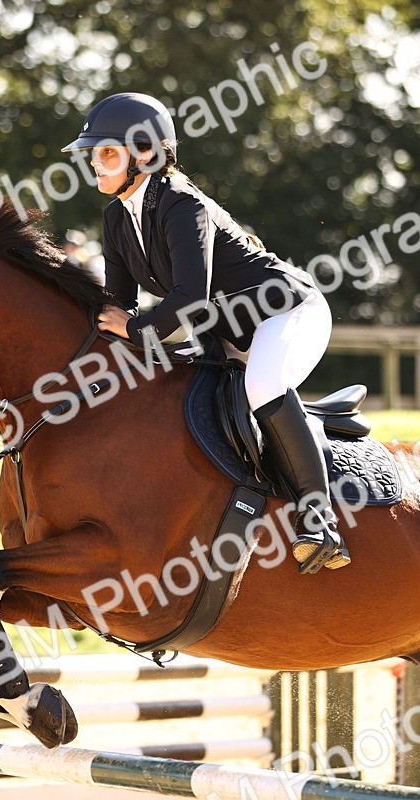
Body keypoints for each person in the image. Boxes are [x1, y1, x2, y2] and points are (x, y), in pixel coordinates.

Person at [61, 92, 351, 574]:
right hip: (226, 331)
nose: (95, 162)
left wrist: (135, 328)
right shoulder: (116, 218)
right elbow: (118, 306)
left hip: (286, 312)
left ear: (145, 154)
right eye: (94, 153)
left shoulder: (182, 204)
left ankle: (320, 523)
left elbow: (188, 298)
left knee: (263, 386)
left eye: (107, 152)